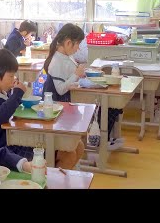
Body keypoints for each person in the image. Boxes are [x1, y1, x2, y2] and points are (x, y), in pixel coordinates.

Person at [0, 48, 83, 168]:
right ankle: (48, 180)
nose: (14, 79)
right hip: (4, 151)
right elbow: (0, 116)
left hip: (16, 139)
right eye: (11, 76)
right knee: (67, 155)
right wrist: (17, 94)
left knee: (79, 145)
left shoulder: (1, 91)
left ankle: (52, 177)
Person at [43, 23, 124, 151]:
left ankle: (104, 140)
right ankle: (100, 142)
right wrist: (76, 74)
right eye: (78, 45)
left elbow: (74, 73)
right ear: (69, 43)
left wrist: (87, 72)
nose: (78, 49)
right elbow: (60, 89)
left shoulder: (66, 57)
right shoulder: (56, 61)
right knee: (107, 106)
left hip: (73, 97)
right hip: (63, 104)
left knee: (111, 106)